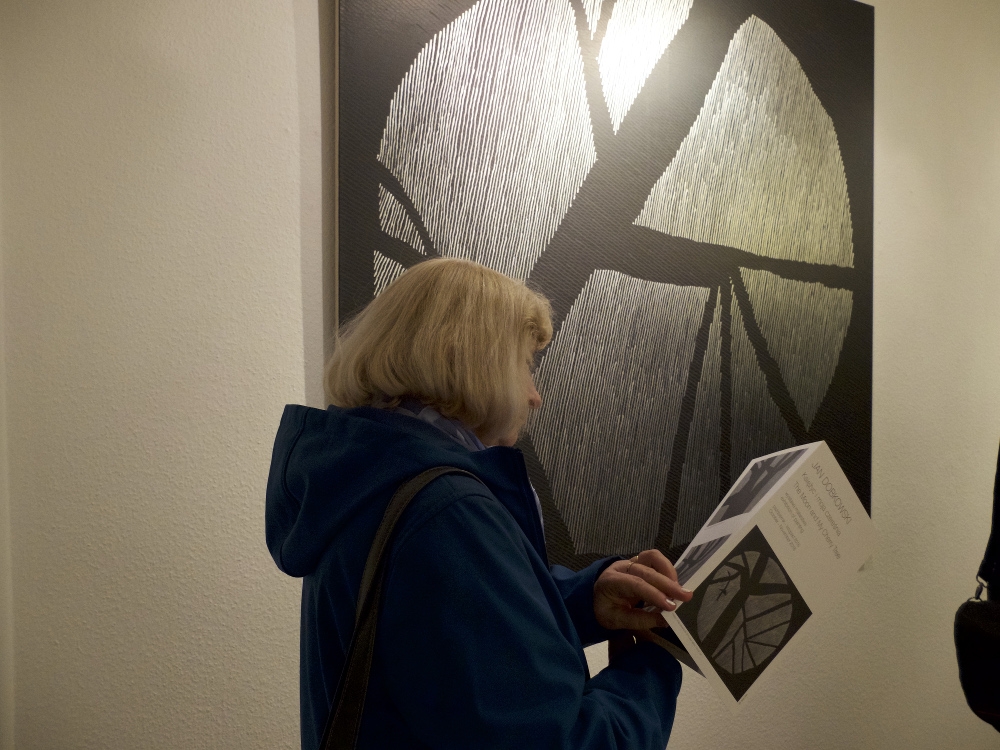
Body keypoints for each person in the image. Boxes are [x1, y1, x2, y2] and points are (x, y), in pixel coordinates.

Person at [265, 258, 693, 749]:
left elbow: (449, 644)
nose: (534, 396)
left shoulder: (369, 478)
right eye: (526, 366)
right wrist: (656, 663)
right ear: (477, 363)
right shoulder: (446, 512)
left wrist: (584, 600)